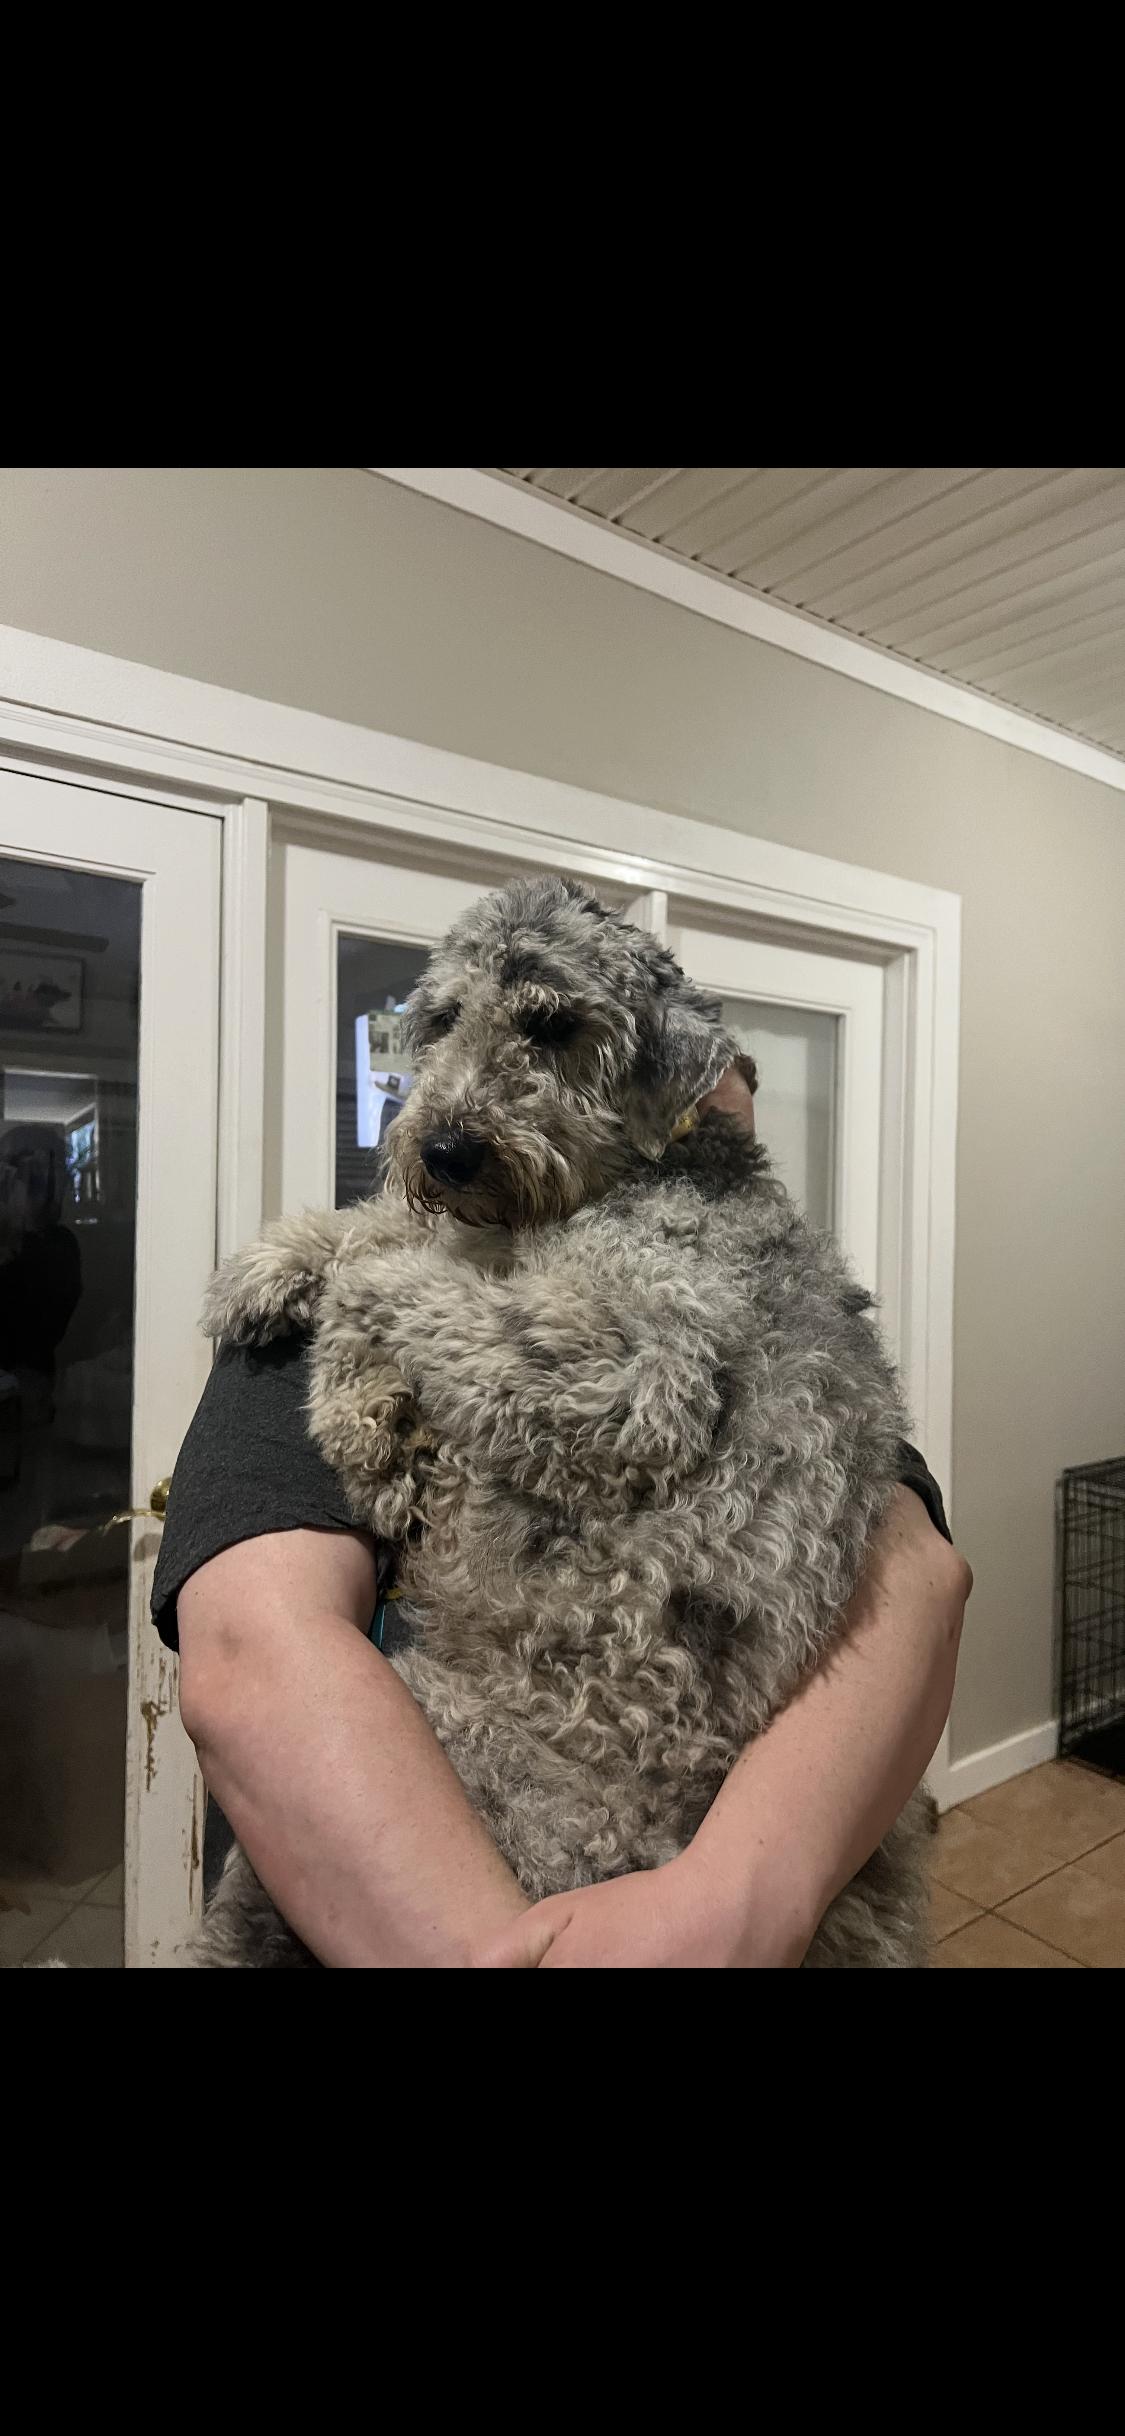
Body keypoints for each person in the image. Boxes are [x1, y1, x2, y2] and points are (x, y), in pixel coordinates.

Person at [153, 1066, 971, 1967]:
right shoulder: (325, 1299)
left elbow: (917, 1580)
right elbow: (253, 1655)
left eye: (711, 1096)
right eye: (658, 1093)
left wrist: (736, 1903)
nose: (687, 1123)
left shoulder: (777, 1316)